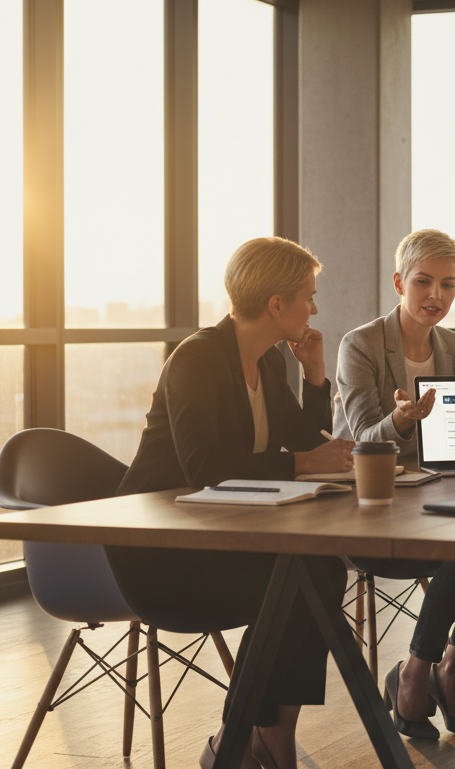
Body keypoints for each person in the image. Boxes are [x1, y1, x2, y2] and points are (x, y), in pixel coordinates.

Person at [108, 237, 356, 769]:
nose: (314, 308)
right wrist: (305, 464)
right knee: (300, 580)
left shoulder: (267, 365)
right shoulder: (195, 358)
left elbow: (304, 439)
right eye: (308, 297)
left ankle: (267, 737)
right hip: (158, 551)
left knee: (323, 572)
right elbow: (204, 467)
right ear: (276, 304)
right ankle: (236, 738)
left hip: (220, 533)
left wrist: (314, 375)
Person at [334, 228, 455, 740]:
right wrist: (400, 420)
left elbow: (450, 439)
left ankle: (449, 670)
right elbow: (358, 446)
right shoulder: (362, 344)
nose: (435, 295)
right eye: (423, 282)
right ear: (399, 281)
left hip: (430, 499)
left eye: (448, 285)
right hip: (369, 508)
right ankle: (415, 673)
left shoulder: (454, 347)